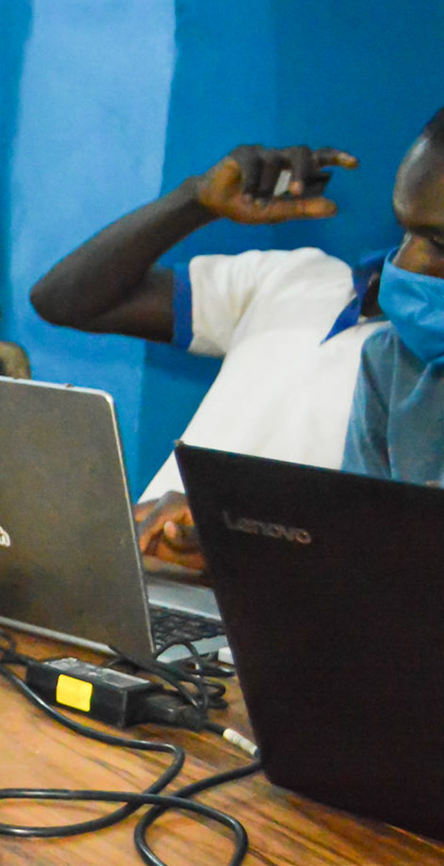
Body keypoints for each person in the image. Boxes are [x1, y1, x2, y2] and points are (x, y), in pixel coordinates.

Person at [31, 142, 385, 570]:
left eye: (434, 238)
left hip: (267, 600)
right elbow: (64, 301)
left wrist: (228, 533)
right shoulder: (299, 278)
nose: (410, 256)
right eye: (411, 229)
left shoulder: (424, 368)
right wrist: (195, 200)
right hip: (138, 577)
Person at [343, 109, 444, 485]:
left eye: (439, 243)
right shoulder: (390, 361)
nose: (403, 263)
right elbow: (360, 515)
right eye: (405, 232)